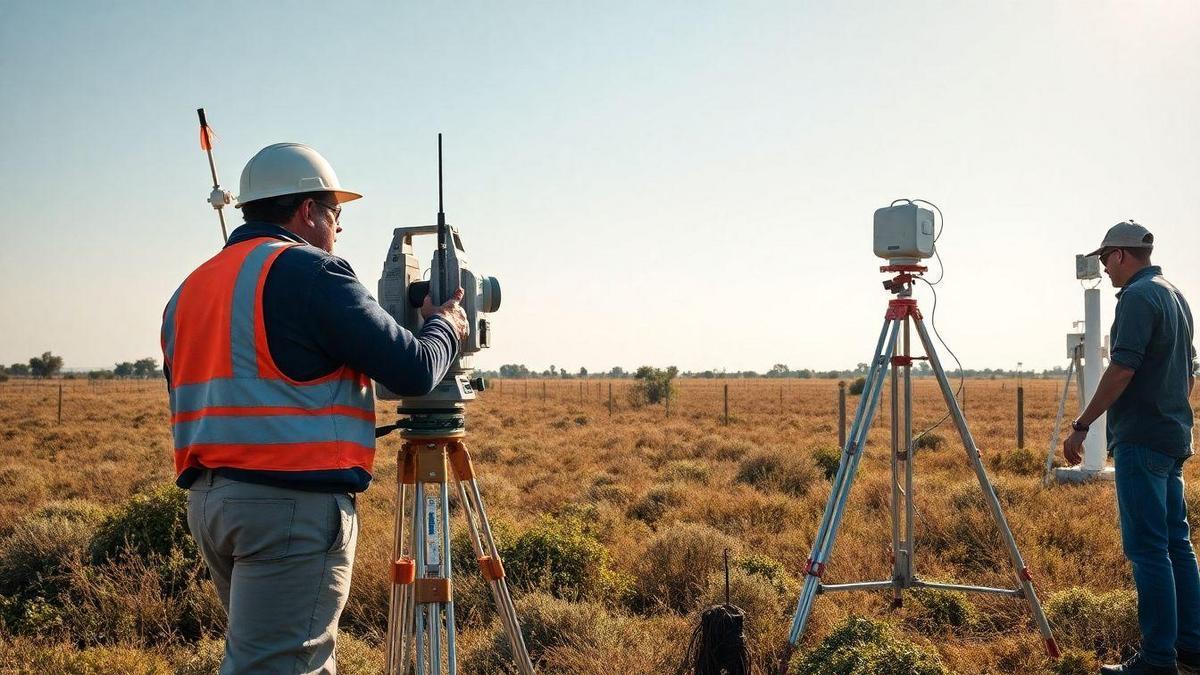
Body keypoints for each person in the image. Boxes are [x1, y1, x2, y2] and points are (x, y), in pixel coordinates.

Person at [161, 143, 469, 674]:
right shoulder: (312, 273)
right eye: (334, 212)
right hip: (288, 506)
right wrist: (447, 325)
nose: (339, 227)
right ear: (307, 210)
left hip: (213, 505)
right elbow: (414, 369)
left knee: (261, 660)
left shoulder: (192, 287)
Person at [1063, 221, 1199, 675]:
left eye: (1105, 258)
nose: (1103, 267)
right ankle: (1191, 647)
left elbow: (1121, 369)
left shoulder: (1138, 297)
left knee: (1148, 550)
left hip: (1142, 439)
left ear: (1120, 254)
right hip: (1173, 435)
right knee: (1177, 545)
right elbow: (1190, 372)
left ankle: (1158, 659)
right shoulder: (1175, 295)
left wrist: (1082, 424)